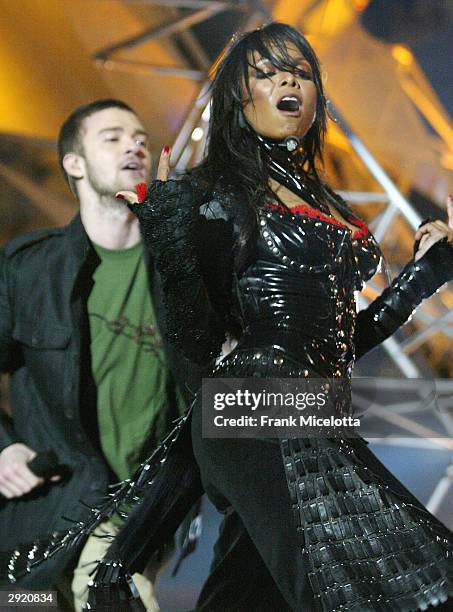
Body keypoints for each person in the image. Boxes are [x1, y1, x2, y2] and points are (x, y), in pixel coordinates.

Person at [17, 24, 453, 611]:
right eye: (267, 72)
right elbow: (195, 340)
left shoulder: (327, 203)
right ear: (237, 99)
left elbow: (342, 342)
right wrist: (171, 235)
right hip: (252, 406)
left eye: (299, 70)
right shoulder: (212, 191)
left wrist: (427, 272)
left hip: (315, 405)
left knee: (248, 596)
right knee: (399, 577)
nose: (287, 79)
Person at [0, 99, 195, 611]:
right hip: (47, 511)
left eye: (140, 138)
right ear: (75, 163)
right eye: (112, 136)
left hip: (138, 507)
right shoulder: (28, 269)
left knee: (109, 594)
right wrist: (3, 447)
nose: (134, 144)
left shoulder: (183, 263)